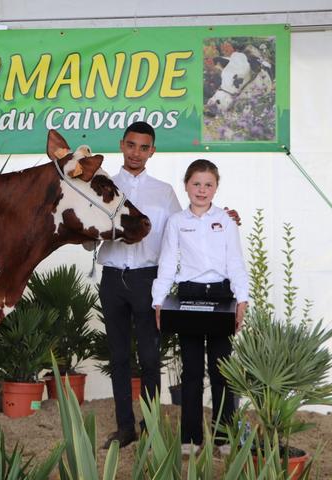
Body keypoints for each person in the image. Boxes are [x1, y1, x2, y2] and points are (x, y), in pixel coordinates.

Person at [151, 159, 249, 456]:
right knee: (192, 372)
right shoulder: (177, 222)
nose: (202, 190)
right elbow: (167, 263)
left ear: (216, 187)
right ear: (186, 185)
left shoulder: (227, 221)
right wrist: (158, 301)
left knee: (222, 371)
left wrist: (241, 300)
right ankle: (190, 439)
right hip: (188, 296)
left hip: (221, 296)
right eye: (196, 183)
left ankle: (223, 438)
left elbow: (236, 262)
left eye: (208, 184)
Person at [96, 121, 181, 449]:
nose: (136, 153)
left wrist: (221, 217)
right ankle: (125, 427)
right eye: (131, 145)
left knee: (149, 358)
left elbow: (179, 233)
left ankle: (150, 425)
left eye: (144, 147)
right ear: (121, 145)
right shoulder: (103, 186)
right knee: (118, 357)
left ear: (152, 151)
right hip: (113, 279)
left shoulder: (164, 193)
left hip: (148, 279)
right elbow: (89, 230)